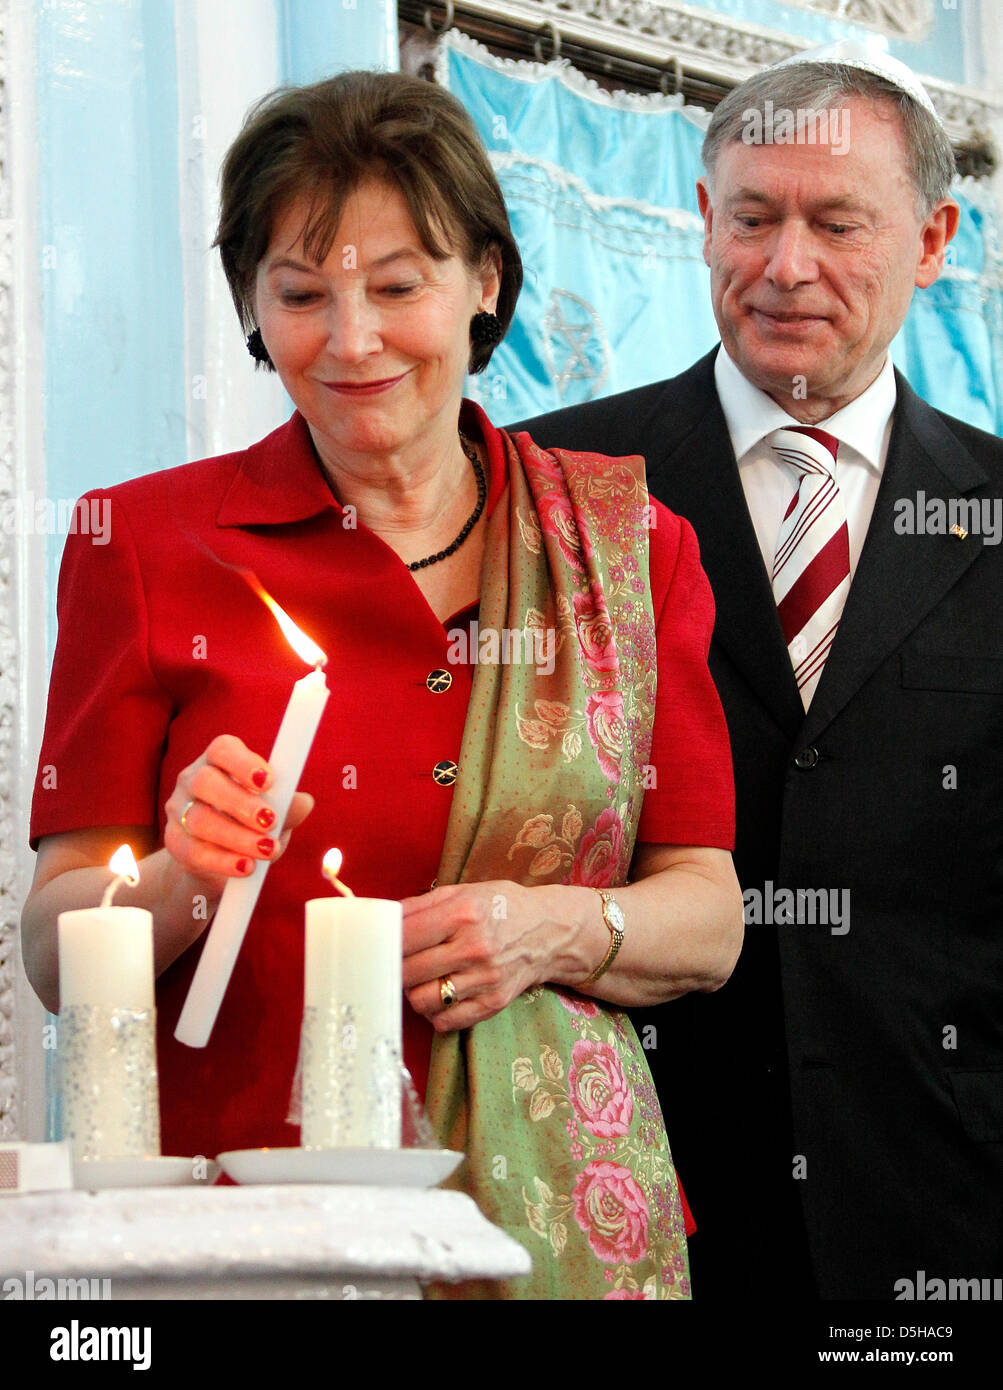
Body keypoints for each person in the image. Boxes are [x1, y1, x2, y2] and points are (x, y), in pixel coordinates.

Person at [21, 70, 743, 1300]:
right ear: (254, 306)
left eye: (399, 286)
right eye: (301, 294)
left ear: (485, 284)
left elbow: (709, 914)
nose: (350, 342)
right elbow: (52, 943)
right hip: (259, 1233)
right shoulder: (142, 544)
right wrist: (184, 872)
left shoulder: (625, 546)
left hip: (558, 1219)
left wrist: (552, 927)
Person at [518, 44, 1003, 1300]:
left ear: (934, 237)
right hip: (623, 1185)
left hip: (942, 1208)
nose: (785, 267)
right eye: (751, 218)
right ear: (698, 221)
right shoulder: (551, 490)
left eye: (837, 223)